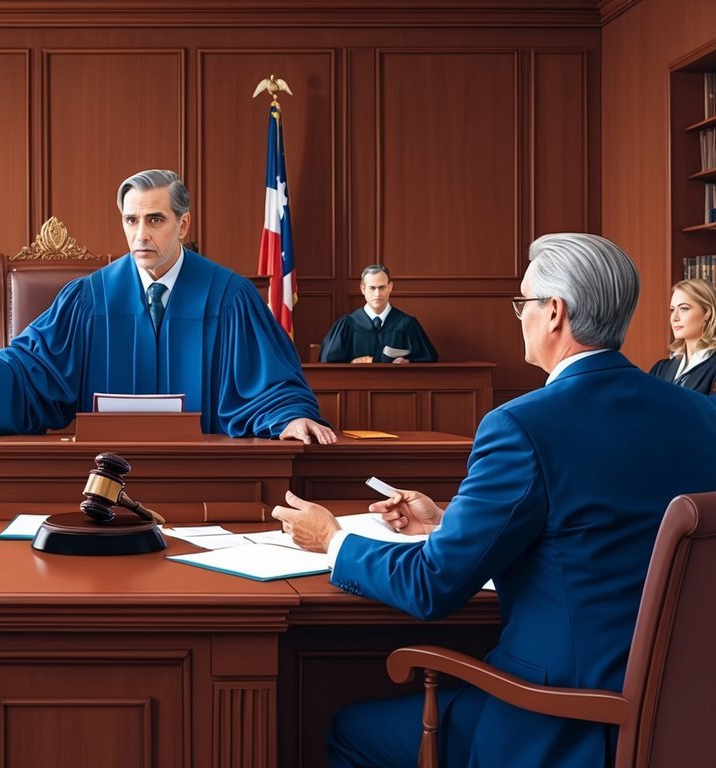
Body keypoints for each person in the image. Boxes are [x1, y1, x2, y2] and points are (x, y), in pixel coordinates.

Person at [272, 233, 716, 767]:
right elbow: (598, 532)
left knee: (348, 729)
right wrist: (446, 523)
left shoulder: (522, 424)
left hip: (557, 720)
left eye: (523, 303)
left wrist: (333, 540)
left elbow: (431, 586)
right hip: (684, 715)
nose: (519, 315)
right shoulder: (701, 415)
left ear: (554, 313)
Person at [0, 169, 335, 443]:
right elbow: (33, 368)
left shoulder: (230, 296)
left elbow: (271, 381)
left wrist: (288, 417)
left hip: (206, 476)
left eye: (155, 219)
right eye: (132, 220)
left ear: (183, 224)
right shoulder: (88, 298)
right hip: (101, 478)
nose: (141, 234)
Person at [319, 264, 437, 363]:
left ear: (390, 287)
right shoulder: (347, 324)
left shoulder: (406, 323)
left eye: (382, 288)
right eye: (372, 288)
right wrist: (352, 363)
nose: (377, 294)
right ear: (362, 289)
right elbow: (327, 360)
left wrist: (408, 362)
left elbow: (429, 358)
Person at [648, 278, 716, 396]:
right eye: (672, 310)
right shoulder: (660, 369)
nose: (675, 318)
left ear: (707, 312)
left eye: (684, 308)